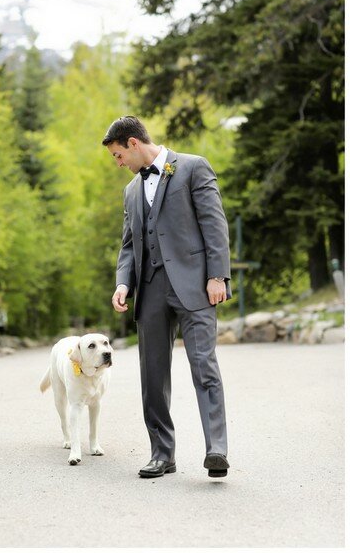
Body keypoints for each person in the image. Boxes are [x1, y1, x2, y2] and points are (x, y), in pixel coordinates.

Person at [103, 116, 231, 479]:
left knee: (204, 367)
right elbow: (129, 245)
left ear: (132, 143)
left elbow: (214, 224)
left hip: (196, 285)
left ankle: (216, 450)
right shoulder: (130, 191)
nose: (119, 163)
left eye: (117, 155)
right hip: (151, 290)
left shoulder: (192, 167)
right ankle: (162, 454)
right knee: (152, 376)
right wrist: (123, 283)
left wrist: (217, 275)